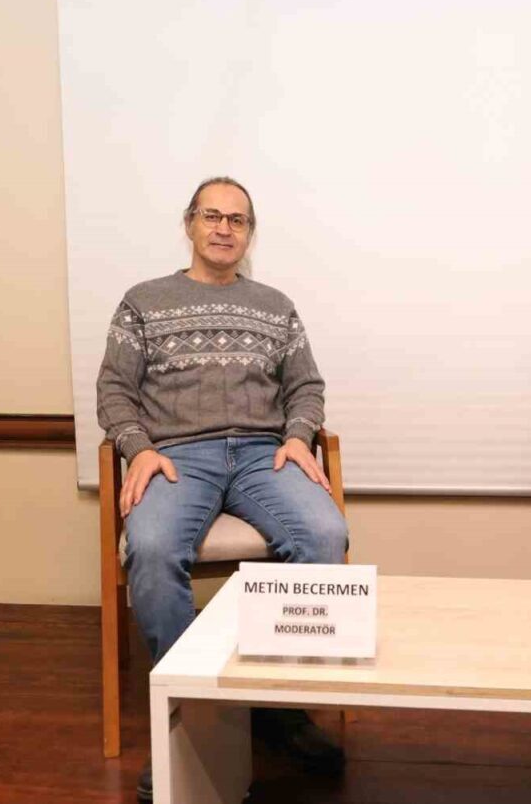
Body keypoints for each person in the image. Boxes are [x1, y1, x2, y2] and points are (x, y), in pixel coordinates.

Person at [96, 176, 349, 801]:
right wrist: (139, 448)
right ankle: (192, 722)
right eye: (212, 216)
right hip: (178, 457)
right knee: (152, 548)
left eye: (238, 220)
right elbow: (114, 391)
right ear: (189, 223)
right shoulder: (142, 302)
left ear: (249, 234)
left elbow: (307, 387)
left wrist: (299, 435)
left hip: (264, 453)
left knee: (325, 534)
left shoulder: (275, 305)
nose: (224, 229)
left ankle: (274, 709)